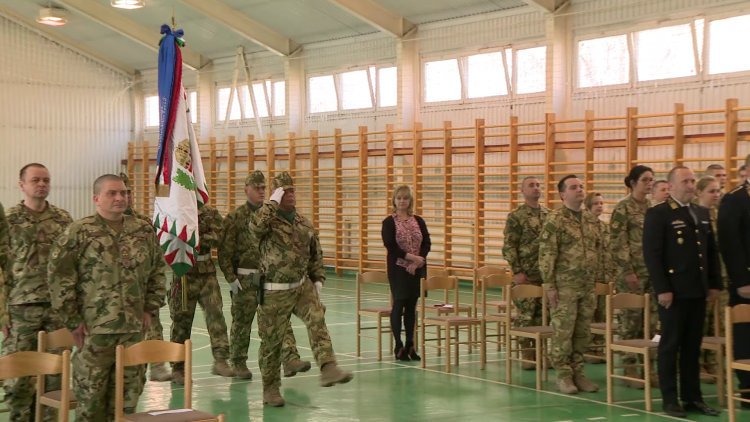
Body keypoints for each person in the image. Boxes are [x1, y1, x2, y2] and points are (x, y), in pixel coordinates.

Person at [47, 174, 166, 420]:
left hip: (132, 331)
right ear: (96, 198)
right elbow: (59, 278)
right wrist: (72, 320)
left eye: (124, 193)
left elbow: (157, 271)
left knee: (127, 404)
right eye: (112, 193)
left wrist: (149, 309)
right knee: (91, 404)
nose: (120, 198)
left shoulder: (143, 230)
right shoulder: (79, 232)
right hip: (94, 332)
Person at [254, 172, 353, 407]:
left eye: (292, 190)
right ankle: (270, 389)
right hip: (274, 290)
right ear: (276, 195)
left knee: (317, 317)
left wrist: (318, 279)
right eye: (285, 191)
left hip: (301, 286)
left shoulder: (303, 222)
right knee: (272, 343)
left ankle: (328, 367)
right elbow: (255, 227)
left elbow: (315, 252)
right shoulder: (266, 221)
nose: (291, 195)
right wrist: (271, 203)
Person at [643, 166, 721, 418]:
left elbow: (710, 252)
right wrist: (663, 288)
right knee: (670, 346)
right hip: (674, 292)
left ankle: (692, 398)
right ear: (671, 186)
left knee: (692, 347)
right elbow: (652, 255)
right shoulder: (659, 213)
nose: (690, 185)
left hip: (697, 291)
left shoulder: (700, 212)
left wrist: (714, 284)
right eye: (685, 181)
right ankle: (670, 399)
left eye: (692, 181)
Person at [217, 171, 310, 380]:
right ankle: (238, 362)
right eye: (256, 188)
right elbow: (224, 251)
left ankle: (290, 358)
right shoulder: (235, 218)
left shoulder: (272, 215)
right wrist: (231, 278)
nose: (261, 191)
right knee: (242, 322)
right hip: (245, 278)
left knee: (280, 318)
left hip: (269, 277)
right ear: (246, 190)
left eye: (263, 188)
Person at [2, 163, 72, 421]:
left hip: (57, 309)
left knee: (55, 377)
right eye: (35, 180)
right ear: (21, 185)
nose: (42, 184)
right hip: (19, 310)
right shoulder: (9, 220)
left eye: (46, 180)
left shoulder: (63, 219)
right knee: (18, 375)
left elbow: (73, 264)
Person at [539, 174, 602, 394]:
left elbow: (598, 249)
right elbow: (547, 253)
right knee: (563, 332)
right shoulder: (555, 220)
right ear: (563, 194)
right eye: (574, 187)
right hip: (564, 286)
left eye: (581, 186)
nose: (580, 190)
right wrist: (549, 285)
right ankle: (563, 375)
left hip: (587, 285)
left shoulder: (590, 220)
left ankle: (578, 372)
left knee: (583, 332)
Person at [169, 204, 234, 384]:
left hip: (207, 273)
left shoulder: (210, 213)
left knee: (216, 314)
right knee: (181, 320)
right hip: (183, 273)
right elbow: (165, 237)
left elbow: (219, 236)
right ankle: (178, 367)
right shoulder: (175, 209)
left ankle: (221, 359)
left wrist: (192, 238)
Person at [119, 172, 171, 382]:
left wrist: (154, 294)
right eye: (120, 192)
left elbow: (156, 260)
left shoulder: (143, 223)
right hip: (114, 294)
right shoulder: (97, 226)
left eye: (128, 192)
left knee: (154, 328)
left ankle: (157, 366)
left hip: (142, 291)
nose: (125, 197)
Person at [609, 165, 657, 389]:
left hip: (652, 273)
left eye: (651, 180)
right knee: (631, 321)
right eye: (645, 180)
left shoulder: (653, 208)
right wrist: (628, 271)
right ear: (633, 183)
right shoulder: (623, 208)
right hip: (632, 274)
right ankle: (629, 366)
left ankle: (649, 367)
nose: (650, 184)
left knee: (651, 323)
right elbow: (617, 243)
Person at [502, 176, 549, 369]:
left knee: (543, 316)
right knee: (526, 315)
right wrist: (517, 271)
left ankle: (540, 353)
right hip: (526, 274)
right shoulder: (516, 216)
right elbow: (509, 246)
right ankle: (527, 353)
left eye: (538, 185)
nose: (536, 188)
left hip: (544, 274)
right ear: (522, 191)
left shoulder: (549, 214)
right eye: (531, 185)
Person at [381, 185, 431, 361]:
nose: (402, 201)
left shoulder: (419, 220)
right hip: (398, 269)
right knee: (399, 303)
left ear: (410, 201)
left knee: (412, 306)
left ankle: (410, 344)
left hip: (417, 269)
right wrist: (411, 258)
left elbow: (426, 243)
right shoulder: (389, 222)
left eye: (406, 198)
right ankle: (398, 345)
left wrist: (419, 261)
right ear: (394, 200)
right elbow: (391, 246)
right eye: (399, 198)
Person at [718, 154, 750, 410]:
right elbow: (730, 243)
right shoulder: (735, 199)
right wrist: (741, 279)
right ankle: (747, 388)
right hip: (746, 279)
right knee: (745, 334)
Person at [695, 176, 726, 382]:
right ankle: (697, 364)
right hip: (701, 277)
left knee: (717, 324)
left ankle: (713, 363)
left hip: (719, 275)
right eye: (711, 191)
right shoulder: (695, 214)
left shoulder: (719, 214)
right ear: (700, 193)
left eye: (718, 191)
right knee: (701, 322)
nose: (716, 195)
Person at [583, 192, 611, 362]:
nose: (599, 206)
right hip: (589, 278)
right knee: (589, 314)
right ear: (587, 206)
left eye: (601, 203)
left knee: (602, 314)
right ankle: (588, 349)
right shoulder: (583, 226)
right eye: (595, 204)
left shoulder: (604, 227)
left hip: (604, 276)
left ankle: (599, 348)